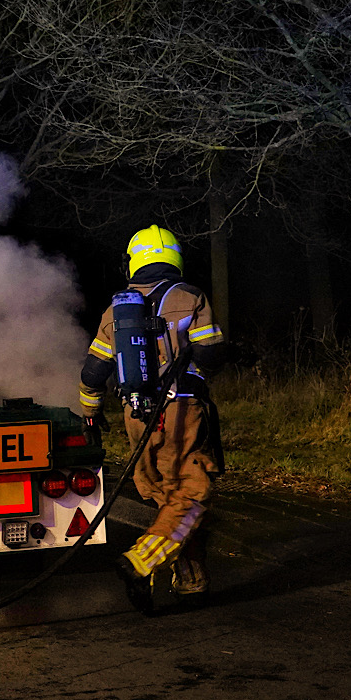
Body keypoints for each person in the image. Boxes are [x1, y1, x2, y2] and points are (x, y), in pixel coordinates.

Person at [78, 225, 228, 610]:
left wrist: (90, 416)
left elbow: (93, 373)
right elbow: (210, 355)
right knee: (194, 493)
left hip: (136, 417)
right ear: (174, 257)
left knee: (169, 497)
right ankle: (140, 562)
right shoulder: (189, 297)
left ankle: (191, 582)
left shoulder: (115, 311)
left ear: (134, 261)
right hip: (181, 412)